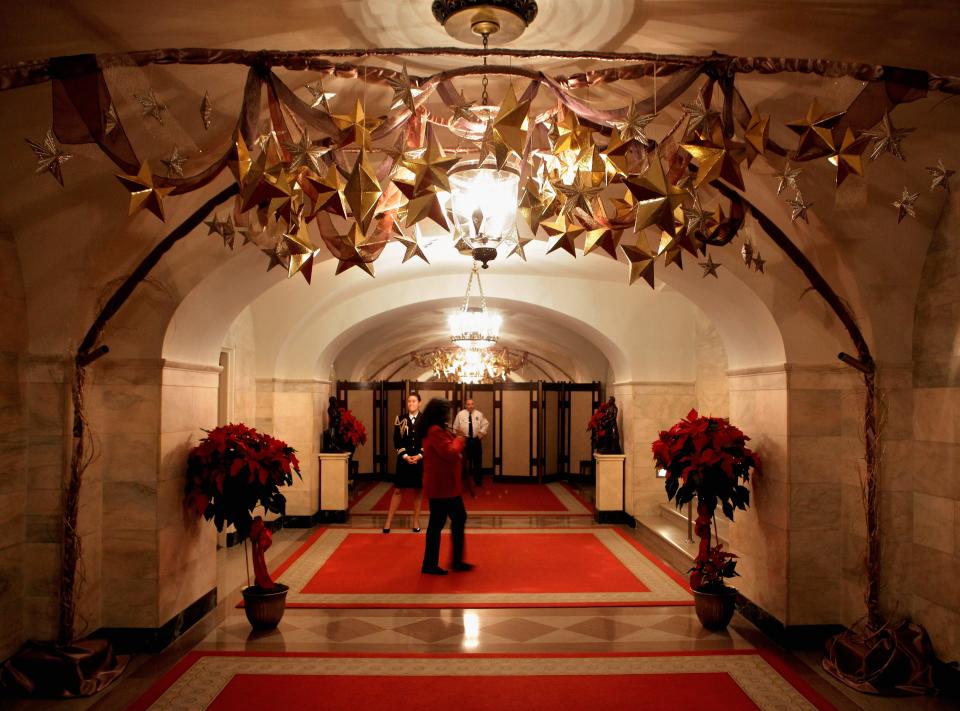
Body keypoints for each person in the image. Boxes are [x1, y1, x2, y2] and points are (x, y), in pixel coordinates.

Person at [419, 397, 474, 576]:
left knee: (451, 520)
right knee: (441, 523)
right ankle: (435, 564)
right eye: (446, 411)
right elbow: (449, 452)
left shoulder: (437, 429)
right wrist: (459, 439)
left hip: (446, 485)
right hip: (442, 486)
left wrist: (455, 437)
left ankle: (451, 561)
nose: (448, 415)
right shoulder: (435, 430)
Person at [383, 392, 423, 533]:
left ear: (419, 403)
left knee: (418, 491)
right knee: (398, 490)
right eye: (409, 401)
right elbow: (396, 440)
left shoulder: (425, 420)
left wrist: (419, 455)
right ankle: (388, 521)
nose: (411, 404)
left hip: (419, 460)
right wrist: (405, 456)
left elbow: (428, 440)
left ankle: (416, 521)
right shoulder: (400, 419)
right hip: (403, 460)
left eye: (414, 401)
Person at [453, 398, 489, 487]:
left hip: (476, 440)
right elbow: (455, 427)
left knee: (477, 461)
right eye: (468, 404)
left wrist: (480, 434)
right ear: (465, 405)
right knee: (463, 461)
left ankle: (478, 481)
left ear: (474, 405)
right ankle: (463, 480)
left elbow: (486, 424)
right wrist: (459, 437)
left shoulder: (479, 414)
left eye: (472, 404)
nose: (470, 406)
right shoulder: (460, 414)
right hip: (465, 441)